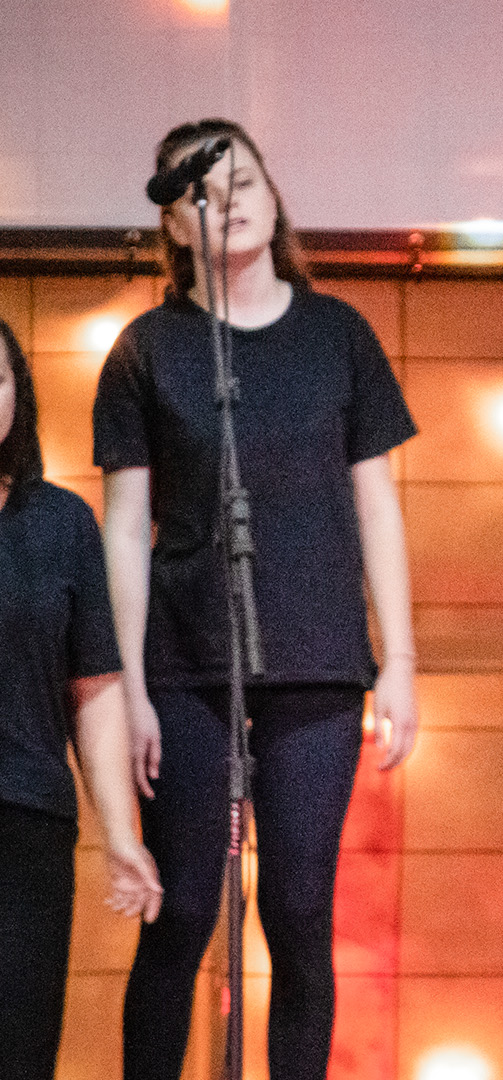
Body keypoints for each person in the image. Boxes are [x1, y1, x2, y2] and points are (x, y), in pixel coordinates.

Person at [93, 119, 419, 1080]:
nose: (229, 201)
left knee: (299, 910)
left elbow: (376, 502)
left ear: (275, 194)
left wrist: (399, 661)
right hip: (184, 665)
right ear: (175, 223)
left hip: (319, 659)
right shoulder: (149, 349)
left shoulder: (337, 334)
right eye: (204, 190)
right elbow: (125, 526)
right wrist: (129, 688)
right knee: (185, 906)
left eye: (245, 180)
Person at [0, 319, 164, 1080]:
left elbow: (94, 690)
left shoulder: (62, 523)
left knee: (21, 1049)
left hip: (27, 822)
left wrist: (121, 834)